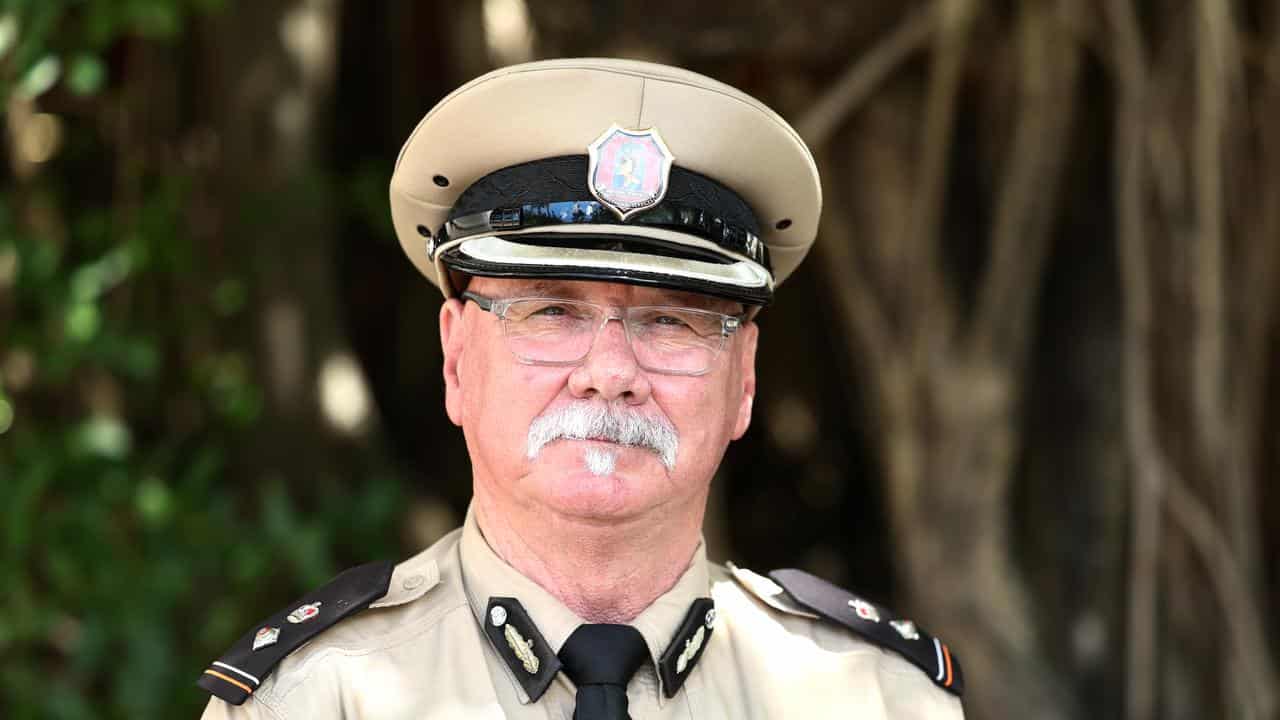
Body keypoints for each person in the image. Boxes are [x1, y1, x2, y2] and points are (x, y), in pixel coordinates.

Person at [197, 58, 965, 719]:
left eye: (671, 322)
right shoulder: (313, 700)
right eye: (551, 311)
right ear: (457, 357)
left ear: (746, 381)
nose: (609, 373)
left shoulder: (878, 698)